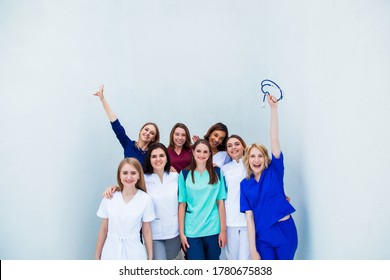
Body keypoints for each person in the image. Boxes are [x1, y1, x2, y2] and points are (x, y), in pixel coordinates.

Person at [240, 95, 298, 260]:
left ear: (266, 158)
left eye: (260, 156)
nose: (256, 160)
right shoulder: (245, 185)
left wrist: (273, 109)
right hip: (262, 235)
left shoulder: (275, 171)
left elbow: (274, 138)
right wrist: (252, 249)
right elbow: (249, 218)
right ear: (248, 160)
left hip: (284, 231)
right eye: (252, 156)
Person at [102, 143, 182, 260]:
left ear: (166, 158)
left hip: (174, 231)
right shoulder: (144, 178)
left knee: (173, 259)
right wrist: (114, 188)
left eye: (161, 156)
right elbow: (129, 187)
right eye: (154, 156)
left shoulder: (176, 177)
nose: (158, 159)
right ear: (149, 159)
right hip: (154, 233)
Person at [95, 158, 155, 260]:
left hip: (135, 251)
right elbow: (104, 229)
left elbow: (147, 230)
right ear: (119, 175)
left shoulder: (145, 199)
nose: (129, 177)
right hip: (110, 250)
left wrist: (150, 256)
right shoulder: (110, 197)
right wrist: (97, 255)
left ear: (139, 175)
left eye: (133, 173)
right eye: (125, 173)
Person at [178, 139, 227, 260]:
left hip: (213, 229)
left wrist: (223, 231)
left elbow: (220, 203)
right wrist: (182, 234)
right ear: (193, 152)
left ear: (210, 154)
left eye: (205, 152)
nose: (202, 154)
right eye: (198, 151)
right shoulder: (184, 174)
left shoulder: (217, 172)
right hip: (192, 230)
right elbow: (182, 205)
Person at [93, 85, 160, 167]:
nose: (148, 133)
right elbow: (116, 125)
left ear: (153, 139)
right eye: (146, 129)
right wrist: (102, 99)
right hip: (125, 179)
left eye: (152, 133)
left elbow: (161, 165)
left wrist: (170, 167)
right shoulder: (129, 145)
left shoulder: (152, 155)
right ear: (140, 131)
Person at [221, 134, 250, 260]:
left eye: (237, 144)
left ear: (243, 146)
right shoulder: (224, 169)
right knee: (231, 258)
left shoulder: (252, 165)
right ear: (227, 151)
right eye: (229, 146)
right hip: (230, 218)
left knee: (246, 259)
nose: (233, 147)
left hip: (248, 218)